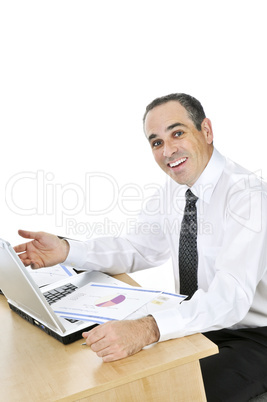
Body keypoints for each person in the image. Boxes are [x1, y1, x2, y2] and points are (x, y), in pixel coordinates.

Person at [14, 93, 267, 401]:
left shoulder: (248, 197)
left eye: (177, 133)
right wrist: (67, 250)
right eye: (156, 142)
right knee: (114, 381)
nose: (168, 150)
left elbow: (230, 300)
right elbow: (138, 248)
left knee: (174, 394)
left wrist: (148, 329)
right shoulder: (177, 189)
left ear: (207, 131)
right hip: (197, 321)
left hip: (253, 335)